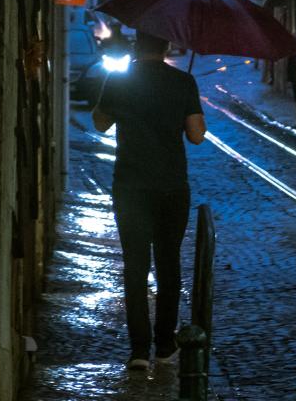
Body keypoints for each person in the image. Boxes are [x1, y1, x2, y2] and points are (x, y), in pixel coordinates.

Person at [92, 31, 207, 371]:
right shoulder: (183, 81)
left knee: (135, 266)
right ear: (167, 46)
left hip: (131, 185)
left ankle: (139, 350)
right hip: (171, 186)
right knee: (169, 264)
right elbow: (196, 135)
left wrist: (113, 101)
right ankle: (165, 344)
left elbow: (100, 124)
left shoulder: (118, 80)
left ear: (136, 46)